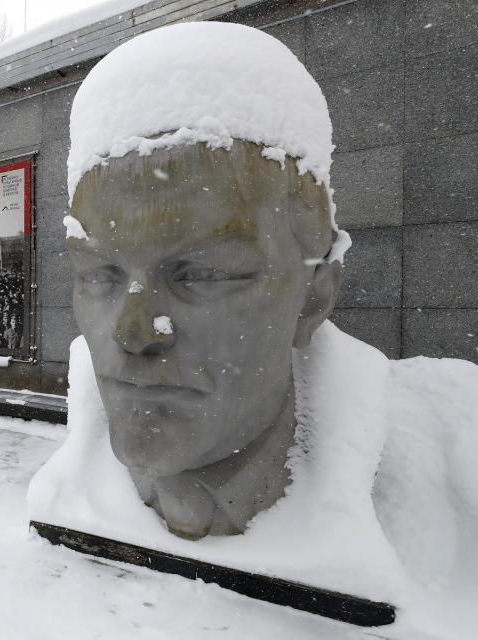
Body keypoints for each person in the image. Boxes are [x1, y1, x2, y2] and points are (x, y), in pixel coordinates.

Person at [28, 21, 478, 621]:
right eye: (101, 275)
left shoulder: (456, 479)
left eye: (201, 274)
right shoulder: (69, 486)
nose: (132, 332)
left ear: (314, 295)